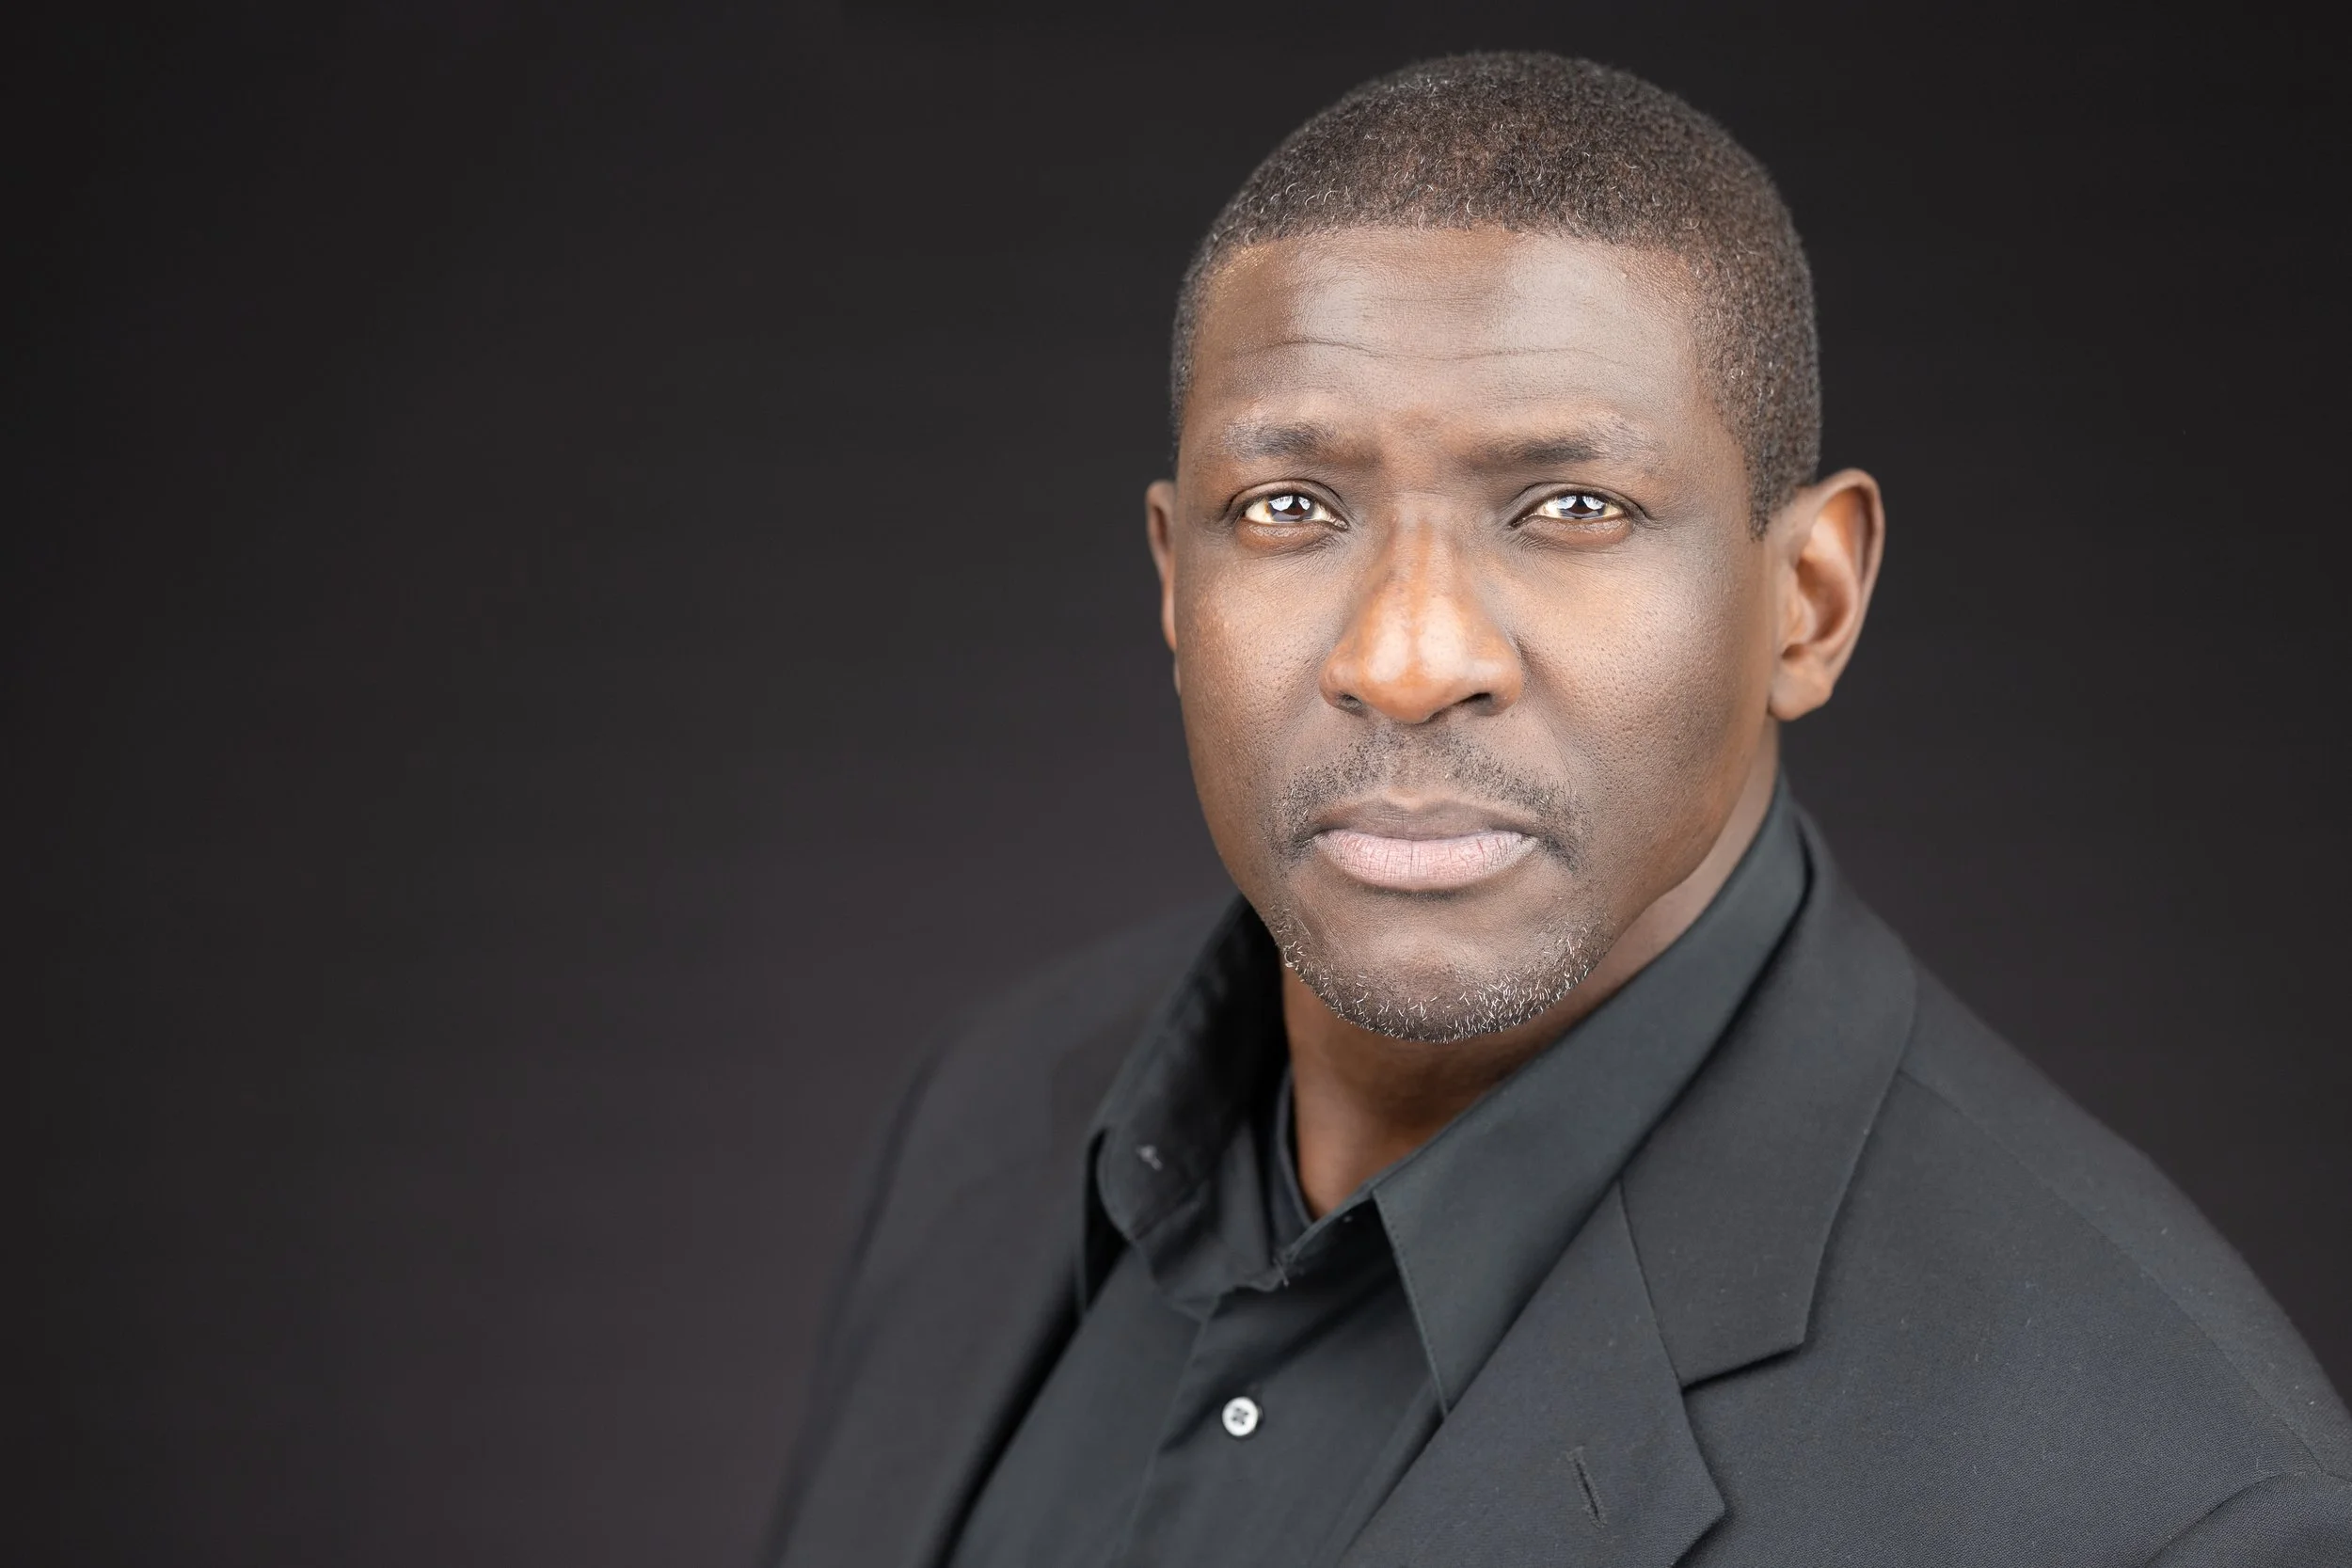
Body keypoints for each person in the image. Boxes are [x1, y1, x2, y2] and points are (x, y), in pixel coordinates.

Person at [768, 53, 2351, 1567]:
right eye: (1291, 507)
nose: (1406, 656)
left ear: (1807, 603)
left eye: (1572, 508)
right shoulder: (987, 1117)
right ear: (1176, 580)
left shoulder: (2169, 1510)